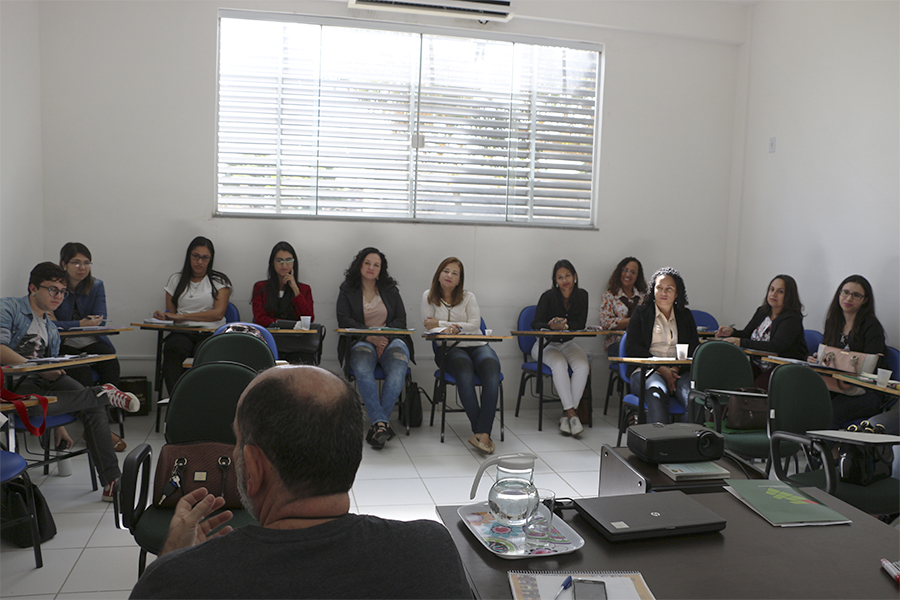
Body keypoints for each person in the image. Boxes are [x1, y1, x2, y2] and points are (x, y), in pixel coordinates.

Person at [129, 365, 471, 600]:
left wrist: (172, 561)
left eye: (237, 441)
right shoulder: (430, 550)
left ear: (253, 468)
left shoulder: (178, 583)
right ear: (353, 454)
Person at [1, 263, 141, 501]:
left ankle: (111, 482)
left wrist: (60, 428)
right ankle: (104, 394)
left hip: (48, 382)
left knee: (91, 402)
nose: (58, 297)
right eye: (52, 290)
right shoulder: (9, 307)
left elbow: (51, 368)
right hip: (15, 387)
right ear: (33, 288)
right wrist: (38, 369)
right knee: (82, 401)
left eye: (62, 292)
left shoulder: (51, 328)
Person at [336, 247, 413, 449]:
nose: (371, 268)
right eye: (367, 263)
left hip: (390, 340)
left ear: (381, 269)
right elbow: (344, 320)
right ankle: (381, 424)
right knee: (362, 369)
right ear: (360, 265)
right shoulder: (347, 289)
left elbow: (400, 319)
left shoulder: (390, 289)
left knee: (399, 367)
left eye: (376, 265)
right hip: (361, 340)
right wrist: (369, 336)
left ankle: (378, 425)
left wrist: (384, 337)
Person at [421, 257, 501, 454]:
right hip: (448, 349)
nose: (449, 275)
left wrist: (442, 324)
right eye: (446, 271)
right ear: (439, 274)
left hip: (477, 344)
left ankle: (481, 435)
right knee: (464, 372)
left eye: (455, 273)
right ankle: (482, 432)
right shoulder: (428, 296)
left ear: (459, 280)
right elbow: (427, 326)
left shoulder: (468, 297)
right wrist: (443, 328)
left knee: (492, 370)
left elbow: (475, 325)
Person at [54, 242, 126, 452]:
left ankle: (99, 424)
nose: (81, 267)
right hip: (64, 345)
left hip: (92, 340)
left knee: (111, 365)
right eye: (76, 262)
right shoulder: (56, 287)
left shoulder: (96, 285)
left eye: (86, 263)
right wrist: (79, 324)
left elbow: (100, 321)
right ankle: (97, 427)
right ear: (64, 264)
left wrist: (80, 325)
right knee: (83, 375)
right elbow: (50, 324)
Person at [153, 237, 232, 395]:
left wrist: (183, 316)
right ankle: (177, 401)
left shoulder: (219, 281)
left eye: (204, 257)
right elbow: (171, 314)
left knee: (204, 353)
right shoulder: (176, 280)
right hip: (182, 332)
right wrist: (164, 316)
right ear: (189, 256)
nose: (199, 262)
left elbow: (218, 314)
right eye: (195, 256)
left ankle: (200, 403)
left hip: (209, 333)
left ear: (210, 259)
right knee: (172, 349)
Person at [625, 267, 700, 424]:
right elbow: (631, 347)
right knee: (657, 394)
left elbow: (694, 348)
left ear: (677, 293)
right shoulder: (641, 312)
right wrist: (659, 367)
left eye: (669, 289)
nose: (664, 293)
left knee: (695, 398)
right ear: (653, 290)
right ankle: (659, 446)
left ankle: (685, 444)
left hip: (679, 371)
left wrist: (675, 369)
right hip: (646, 370)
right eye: (659, 288)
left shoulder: (685, 315)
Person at [814, 275, 890, 428]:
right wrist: (817, 359)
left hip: (866, 392)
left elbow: (874, 364)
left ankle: (824, 452)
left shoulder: (871, 325)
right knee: (807, 403)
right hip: (835, 386)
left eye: (856, 295)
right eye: (845, 292)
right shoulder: (833, 322)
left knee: (830, 413)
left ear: (865, 300)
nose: (848, 298)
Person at [715, 274, 808, 388]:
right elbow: (746, 335)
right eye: (772, 289)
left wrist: (740, 342)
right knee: (731, 379)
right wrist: (732, 332)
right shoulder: (762, 312)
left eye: (780, 291)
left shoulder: (792, 318)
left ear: (789, 296)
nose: (773, 294)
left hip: (783, 368)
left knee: (755, 389)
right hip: (759, 365)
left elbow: (776, 346)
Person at [531, 259, 590, 436]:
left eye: (567, 276)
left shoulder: (582, 296)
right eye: (559, 277)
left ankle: (566, 414)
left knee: (583, 365)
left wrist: (563, 327)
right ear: (555, 280)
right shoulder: (547, 296)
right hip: (545, 345)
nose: (564, 280)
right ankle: (572, 413)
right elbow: (535, 323)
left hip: (568, 343)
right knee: (559, 364)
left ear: (575, 276)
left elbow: (580, 323)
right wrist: (550, 326)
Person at [251, 241, 315, 364]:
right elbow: (259, 319)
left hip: (297, 343)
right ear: (272, 263)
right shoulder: (261, 287)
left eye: (288, 260)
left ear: (294, 263)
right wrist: (288, 325)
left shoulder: (304, 289)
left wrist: (295, 289)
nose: (284, 264)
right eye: (279, 260)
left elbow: (308, 319)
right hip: (269, 340)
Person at [598, 257, 647, 353]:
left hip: (640, 341)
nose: (628, 274)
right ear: (620, 272)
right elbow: (605, 323)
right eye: (625, 270)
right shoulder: (609, 296)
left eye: (633, 272)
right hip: (617, 342)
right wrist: (632, 321)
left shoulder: (644, 297)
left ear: (638, 276)